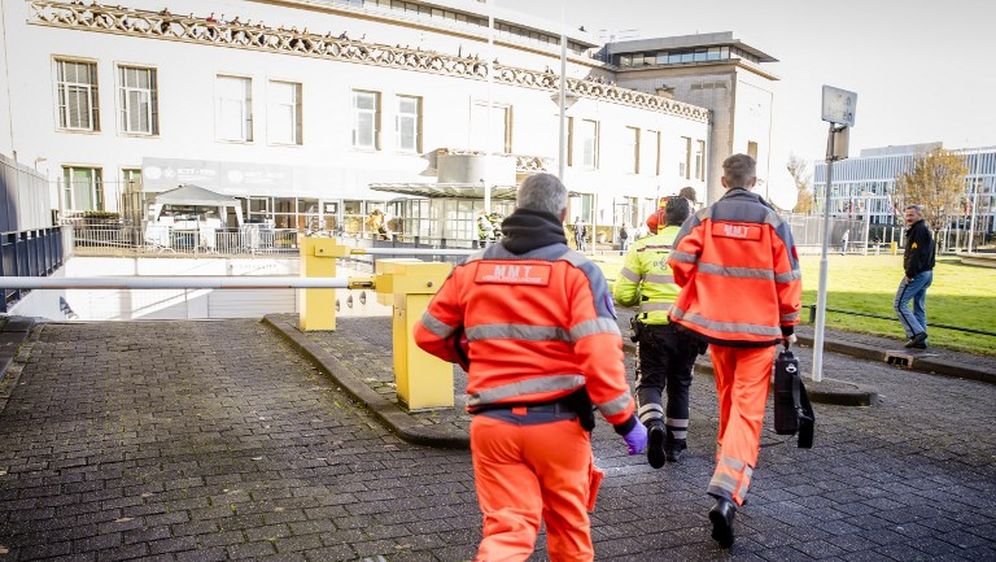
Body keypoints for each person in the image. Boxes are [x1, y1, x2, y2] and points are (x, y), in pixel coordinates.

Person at [414, 173, 646, 561]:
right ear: (564, 213)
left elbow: (428, 334)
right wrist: (625, 421)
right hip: (558, 425)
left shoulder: (471, 268)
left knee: (507, 531)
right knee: (568, 528)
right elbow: (601, 356)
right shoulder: (577, 272)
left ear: (516, 207)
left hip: (493, 425)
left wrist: (476, 359)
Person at [667, 154, 801, 548]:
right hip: (760, 334)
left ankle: (727, 470)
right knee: (747, 412)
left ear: (724, 179)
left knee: (729, 403)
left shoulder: (704, 218)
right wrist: (788, 326)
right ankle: (728, 490)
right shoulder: (774, 222)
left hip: (718, 330)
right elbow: (789, 279)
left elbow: (678, 264)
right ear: (754, 180)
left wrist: (710, 288)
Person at [614, 197, 704, 468]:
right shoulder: (700, 250)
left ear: (662, 218)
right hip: (689, 328)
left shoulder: (642, 247)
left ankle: (654, 425)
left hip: (653, 329)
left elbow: (622, 294)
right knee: (680, 384)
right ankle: (675, 446)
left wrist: (643, 293)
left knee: (650, 383)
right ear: (689, 219)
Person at [894, 204, 935, 349]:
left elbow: (916, 254)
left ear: (919, 216)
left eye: (911, 215)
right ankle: (921, 340)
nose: (908, 218)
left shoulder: (918, 230)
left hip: (917, 274)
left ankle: (917, 334)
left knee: (899, 304)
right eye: (907, 215)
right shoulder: (923, 230)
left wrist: (909, 274)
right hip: (927, 273)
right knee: (919, 306)